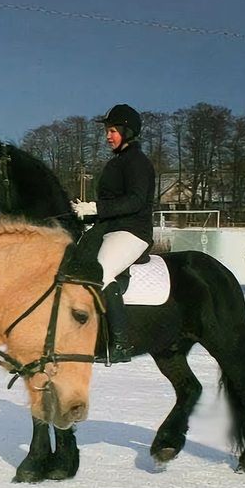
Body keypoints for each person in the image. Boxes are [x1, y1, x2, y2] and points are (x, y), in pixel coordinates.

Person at [70, 103, 155, 364]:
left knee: (101, 271)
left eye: (113, 130)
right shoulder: (117, 162)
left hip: (133, 232)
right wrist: (86, 213)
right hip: (110, 228)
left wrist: (98, 207)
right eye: (107, 130)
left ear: (127, 132)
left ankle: (121, 344)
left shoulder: (138, 162)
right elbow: (112, 204)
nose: (108, 135)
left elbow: (136, 201)